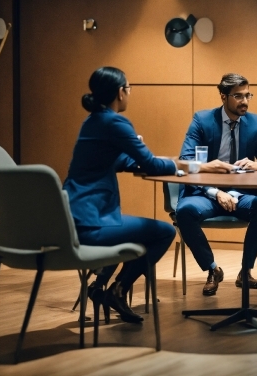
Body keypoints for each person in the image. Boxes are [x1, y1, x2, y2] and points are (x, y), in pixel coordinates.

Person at [63, 66, 190, 323]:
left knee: (139, 231)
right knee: (164, 232)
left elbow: (115, 161)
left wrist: (137, 154)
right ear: (121, 92)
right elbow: (153, 165)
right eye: (129, 89)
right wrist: (181, 165)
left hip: (73, 217)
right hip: (91, 223)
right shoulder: (114, 121)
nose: (129, 94)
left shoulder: (93, 121)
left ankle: (100, 288)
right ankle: (118, 290)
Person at [175, 73, 257, 296]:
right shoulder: (202, 120)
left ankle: (245, 271)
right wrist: (214, 192)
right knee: (184, 211)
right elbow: (186, 161)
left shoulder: (255, 122)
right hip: (206, 193)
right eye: (238, 96)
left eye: (248, 95)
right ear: (223, 96)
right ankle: (213, 270)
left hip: (240, 193)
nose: (245, 101)